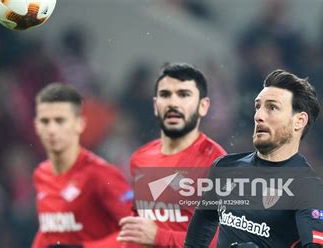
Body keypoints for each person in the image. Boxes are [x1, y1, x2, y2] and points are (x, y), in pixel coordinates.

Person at [185, 69, 323, 248]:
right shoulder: (225, 167)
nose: (258, 116)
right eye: (258, 107)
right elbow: (205, 219)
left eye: (272, 107)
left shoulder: (307, 187)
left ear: (299, 121)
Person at [117, 63, 227, 247]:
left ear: (203, 106)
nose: (173, 103)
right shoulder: (140, 158)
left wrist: (159, 237)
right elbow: (136, 232)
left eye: (184, 95)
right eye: (165, 95)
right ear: (155, 105)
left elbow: (223, 240)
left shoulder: (217, 164)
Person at [32, 83, 132, 248]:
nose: (51, 130)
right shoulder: (42, 174)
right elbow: (49, 233)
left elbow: (140, 235)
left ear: (79, 124)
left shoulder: (100, 174)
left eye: (60, 121)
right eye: (45, 121)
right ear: (36, 126)